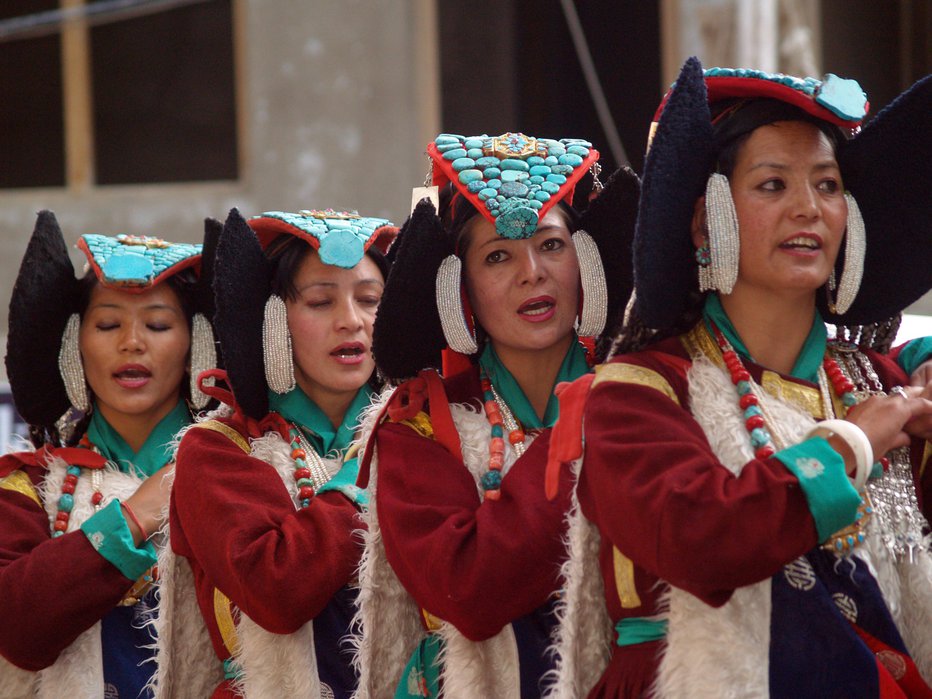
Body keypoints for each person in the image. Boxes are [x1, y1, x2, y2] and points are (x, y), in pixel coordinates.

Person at [546, 59, 932, 698]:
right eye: (773, 184)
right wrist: (850, 447)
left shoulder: (879, 383)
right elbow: (699, 539)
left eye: (828, 185)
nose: (808, 208)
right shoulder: (639, 392)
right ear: (707, 219)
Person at [353, 132, 639, 698]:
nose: (532, 272)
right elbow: (469, 588)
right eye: (498, 256)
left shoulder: (650, 391)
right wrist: (582, 425)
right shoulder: (420, 426)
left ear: (585, 261)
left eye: (551, 245)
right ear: (458, 288)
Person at [153, 208, 396, 698]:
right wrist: (370, 465)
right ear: (274, 317)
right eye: (321, 302)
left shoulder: (428, 432)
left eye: (369, 300)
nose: (351, 321)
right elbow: (277, 589)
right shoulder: (219, 450)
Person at [0, 212, 218, 698]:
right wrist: (137, 514)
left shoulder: (248, 471)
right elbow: (15, 627)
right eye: (108, 324)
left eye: (158, 324)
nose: (132, 342)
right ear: (74, 343)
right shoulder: (27, 489)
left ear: (195, 344)